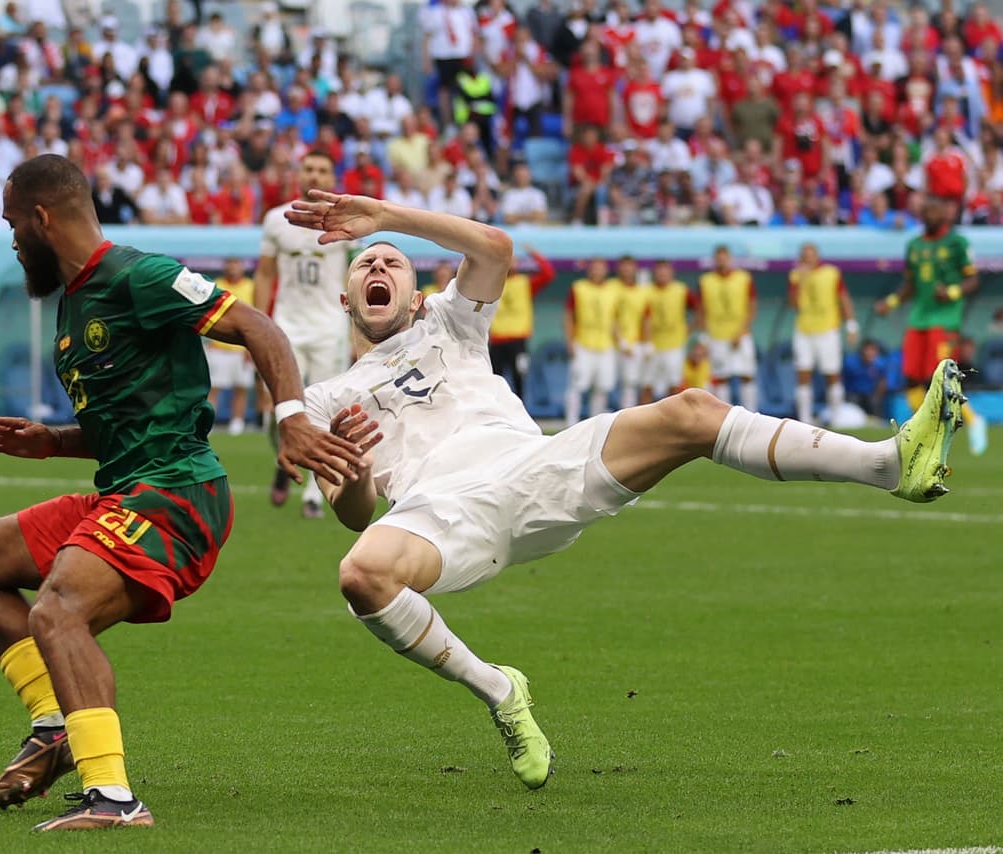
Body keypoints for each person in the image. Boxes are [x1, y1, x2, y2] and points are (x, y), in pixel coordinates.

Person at [287, 190, 965, 792]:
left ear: (414, 292)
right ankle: (499, 689)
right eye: (366, 264)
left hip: (534, 467)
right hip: (436, 516)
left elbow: (494, 245)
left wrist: (385, 215)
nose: (378, 267)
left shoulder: (449, 322)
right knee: (362, 575)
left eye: (392, 262)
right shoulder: (324, 398)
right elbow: (353, 515)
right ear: (345, 299)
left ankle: (888, 464)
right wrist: (347, 475)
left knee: (692, 412)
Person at [0, 155, 361, 832]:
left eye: (13, 222)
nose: (11, 237)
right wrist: (51, 441)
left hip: (178, 493)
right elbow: (121, 426)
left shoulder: (141, 275)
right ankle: (55, 726)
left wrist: (291, 419)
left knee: (58, 611)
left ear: (43, 219)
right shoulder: (75, 303)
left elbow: (260, 327)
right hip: (126, 489)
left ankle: (113, 798)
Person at [253, 149, 358, 518]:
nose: (315, 175)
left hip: (330, 326)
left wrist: (358, 329)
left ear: (332, 178)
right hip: (287, 327)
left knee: (323, 413)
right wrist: (259, 325)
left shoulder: (347, 219)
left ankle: (314, 493)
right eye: (309, 168)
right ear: (299, 174)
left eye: (323, 170)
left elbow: (356, 273)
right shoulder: (275, 219)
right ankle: (284, 460)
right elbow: (265, 274)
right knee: (275, 414)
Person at [875, 195, 988, 456]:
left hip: (945, 320)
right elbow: (910, 285)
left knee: (939, 378)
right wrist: (890, 302)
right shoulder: (914, 245)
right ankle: (925, 432)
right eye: (926, 211)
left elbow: (974, 281)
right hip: (919, 319)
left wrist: (950, 292)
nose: (930, 215)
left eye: (935, 211)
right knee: (911, 379)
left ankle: (974, 421)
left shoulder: (957, 242)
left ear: (945, 215)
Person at [788, 242, 858, 425]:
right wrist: (800, 281)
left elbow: (844, 298)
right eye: (804, 254)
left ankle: (836, 419)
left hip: (828, 329)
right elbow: (792, 304)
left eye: (811, 254)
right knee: (803, 373)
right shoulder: (796, 275)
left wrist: (851, 325)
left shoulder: (831, 273)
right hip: (804, 330)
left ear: (817, 255)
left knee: (831, 373)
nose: (808, 258)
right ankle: (805, 419)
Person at [487, 245, 554, 402]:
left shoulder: (525, 283)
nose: (511, 263)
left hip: (518, 341)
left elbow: (548, 274)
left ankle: (520, 415)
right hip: (497, 340)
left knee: (520, 378)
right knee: (494, 380)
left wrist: (534, 254)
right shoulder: (492, 283)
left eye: (514, 260)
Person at [699, 245, 758, 411]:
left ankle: (752, 415)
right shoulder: (706, 281)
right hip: (717, 335)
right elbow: (702, 311)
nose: (722, 261)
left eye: (725, 257)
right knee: (720, 377)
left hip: (741, 334)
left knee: (747, 375)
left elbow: (752, 306)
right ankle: (724, 418)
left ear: (730, 259)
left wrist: (741, 331)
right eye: (718, 257)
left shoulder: (743, 278)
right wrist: (704, 336)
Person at [563, 257, 619, 425]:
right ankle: (570, 423)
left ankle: (596, 425)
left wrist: (620, 342)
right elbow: (568, 316)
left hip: (606, 345)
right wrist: (570, 341)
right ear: (589, 270)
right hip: (583, 344)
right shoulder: (578, 288)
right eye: (594, 268)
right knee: (578, 386)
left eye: (600, 268)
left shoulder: (613, 290)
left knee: (602, 387)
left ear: (606, 270)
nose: (597, 271)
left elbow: (614, 319)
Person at [206, 257, 257, 435]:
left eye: (237, 263)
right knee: (213, 388)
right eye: (230, 263)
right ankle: (208, 423)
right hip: (219, 347)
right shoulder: (217, 285)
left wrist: (251, 347)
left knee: (240, 388)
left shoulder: (251, 287)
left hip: (241, 348)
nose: (233, 267)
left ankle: (237, 422)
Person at [644, 260, 699, 400]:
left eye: (665, 270)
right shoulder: (647, 292)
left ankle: (673, 420)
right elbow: (644, 318)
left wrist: (688, 330)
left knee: (674, 385)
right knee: (647, 384)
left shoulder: (680, 290)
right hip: (654, 345)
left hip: (675, 344)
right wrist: (647, 342)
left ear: (671, 272)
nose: (662, 274)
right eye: (659, 271)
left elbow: (700, 309)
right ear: (654, 273)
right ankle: (642, 421)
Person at [610, 255, 650, 408]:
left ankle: (630, 416)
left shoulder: (642, 291)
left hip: (636, 343)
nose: (627, 269)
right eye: (624, 266)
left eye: (630, 266)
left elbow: (645, 318)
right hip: (614, 343)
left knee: (633, 383)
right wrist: (620, 340)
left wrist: (647, 343)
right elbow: (610, 316)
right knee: (612, 383)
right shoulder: (611, 287)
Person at [843, 339, 890, 419]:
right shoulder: (850, 362)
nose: (870, 353)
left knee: (875, 401)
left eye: (873, 350)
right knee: (853, 400)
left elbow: (883, 381)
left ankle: (877, 420)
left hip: (870, 394)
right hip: (853, 394)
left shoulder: (880, 364)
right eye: (868, 350)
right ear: (862, 351)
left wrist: (878, 395)